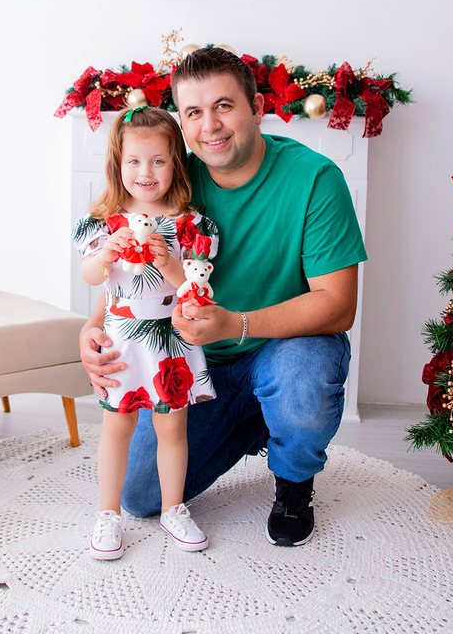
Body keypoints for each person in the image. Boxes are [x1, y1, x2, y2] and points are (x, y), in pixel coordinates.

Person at [78, 47, 365, 547]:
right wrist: (92, 327)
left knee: (302, 377)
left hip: (283, 347)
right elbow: (128, 270)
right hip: (196, 363)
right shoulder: (172, 179)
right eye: (193, 112)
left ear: (257, 109)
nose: (210, 125)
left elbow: (338, 306)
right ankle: (256, 419)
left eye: (224, 106)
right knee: (139, 496)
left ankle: (294, 478)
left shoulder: (316, 179)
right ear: (182, 125)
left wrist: (237, 324)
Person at [73, 105, 221, 560]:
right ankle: (107, 515)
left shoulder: (188, 223)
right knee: (116, 428)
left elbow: (193, 287)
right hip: (122, 338)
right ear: (119, 164)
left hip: (169, 341)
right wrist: (104, 257)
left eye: (158, 160)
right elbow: (90, 277)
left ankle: (175, 508)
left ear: (175, 161)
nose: (146, 172)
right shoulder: (107, 221)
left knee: (172, 428)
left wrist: (169, 262)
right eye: (134, 161)